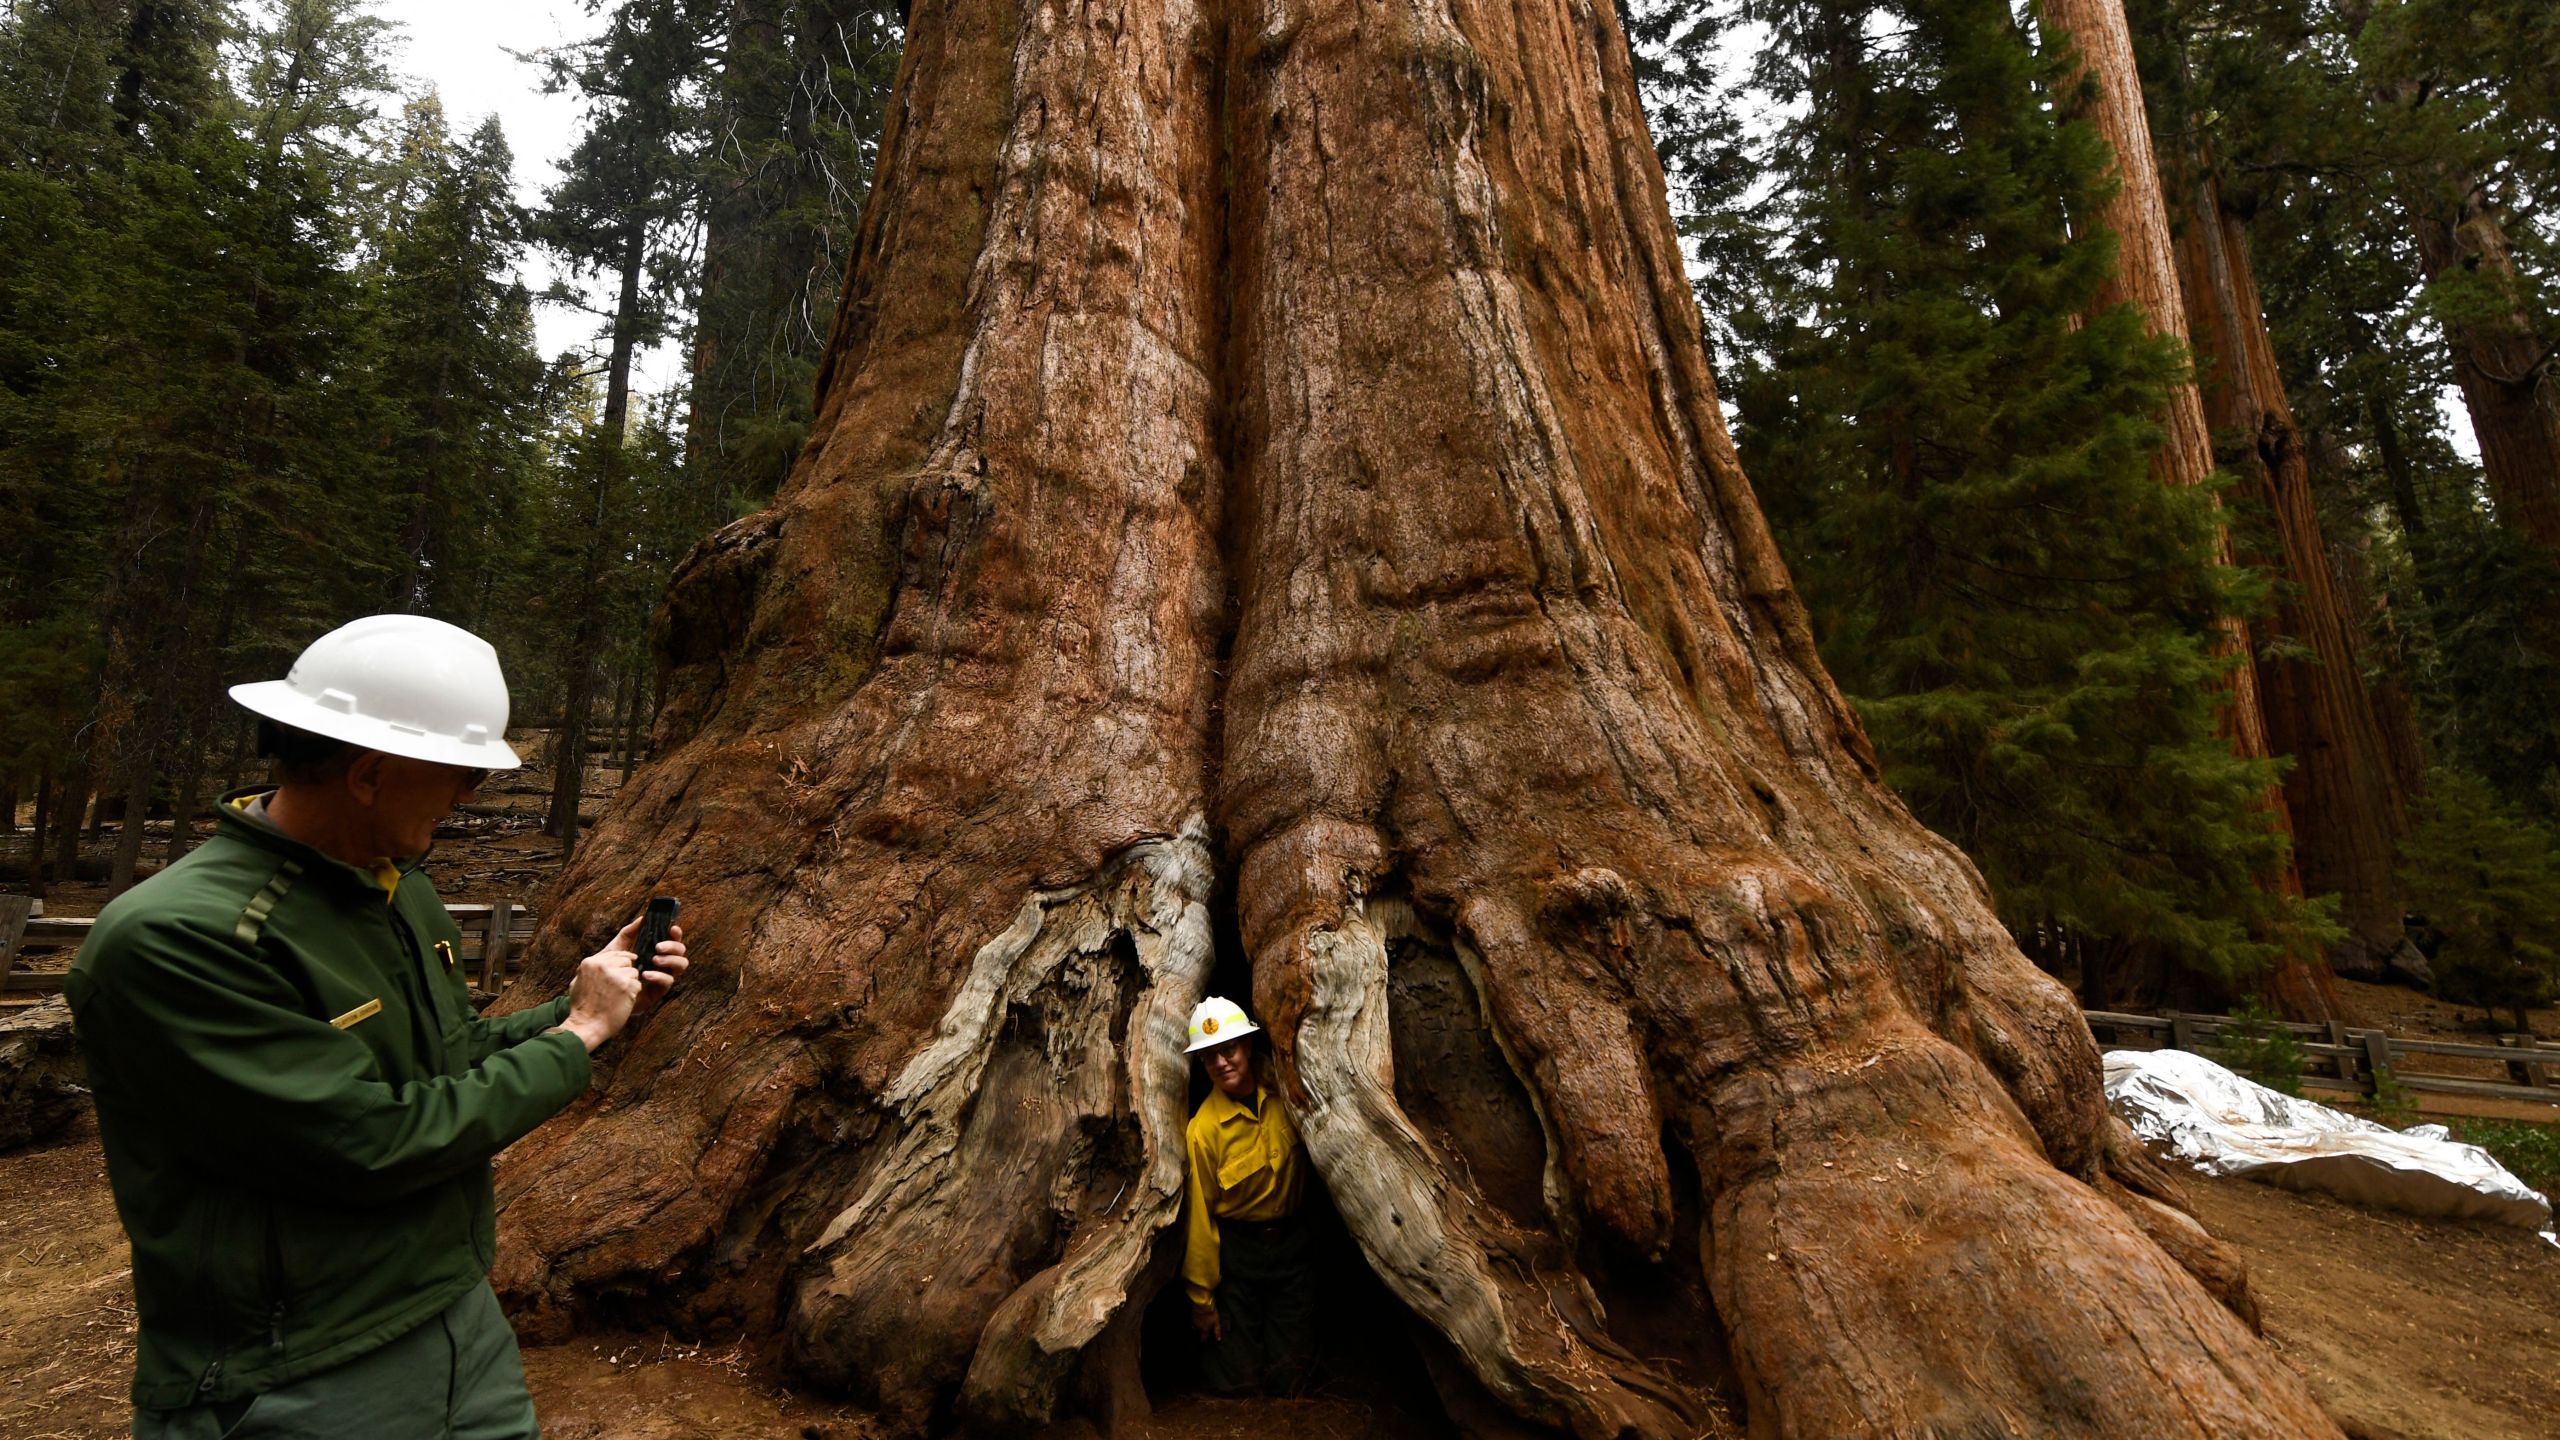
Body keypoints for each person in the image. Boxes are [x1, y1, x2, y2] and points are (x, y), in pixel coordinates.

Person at [65, 614, 688, 1440]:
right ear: (367, 774)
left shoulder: (395, 889)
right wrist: (577, 1038)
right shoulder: (183, 939)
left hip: (454, 1319)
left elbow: (448, 1058)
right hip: (297, 1373)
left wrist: (592, 1002)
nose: (472, 797)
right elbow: (374, 1141)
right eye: (460, 774)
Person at [1179, 995, 1315, 1397]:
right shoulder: (1203, 1131)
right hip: (1238, 1256)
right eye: (1208, 1057)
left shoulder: (1287, 1094)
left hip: (1294, 1245)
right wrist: (1202, 1301)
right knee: (1237, 1385)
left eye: (1228, 1049)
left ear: (1248, 1046)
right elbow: (1199, 1223)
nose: (1221, 1063)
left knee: (1295, 1380)